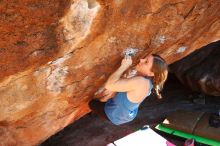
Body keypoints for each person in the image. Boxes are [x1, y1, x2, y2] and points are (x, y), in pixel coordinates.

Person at [89, 54, 168, 125]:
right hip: (128, 112)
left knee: (92, 103)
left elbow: (109, 85)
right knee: (107, 97)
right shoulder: (149, 81)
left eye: (146, 62)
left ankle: (96, 112)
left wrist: (124, 66)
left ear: (151, 73)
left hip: (116, 116)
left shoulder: (141, 82)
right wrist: (114, 91)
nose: (141, 60)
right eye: (145, 58)